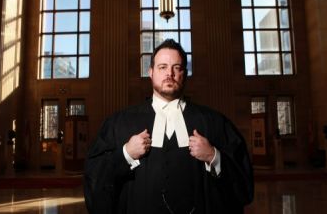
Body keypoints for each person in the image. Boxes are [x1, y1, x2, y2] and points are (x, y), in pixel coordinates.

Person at [84, 39, 253, 214]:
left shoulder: (214, 122)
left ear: (184, 73)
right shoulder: (119, 123)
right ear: (150, 72)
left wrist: (213, 156)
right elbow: (94, 176)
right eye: (162, 67)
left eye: (177, 68)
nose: (169, 74)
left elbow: (243, 183)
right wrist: (125, 154)